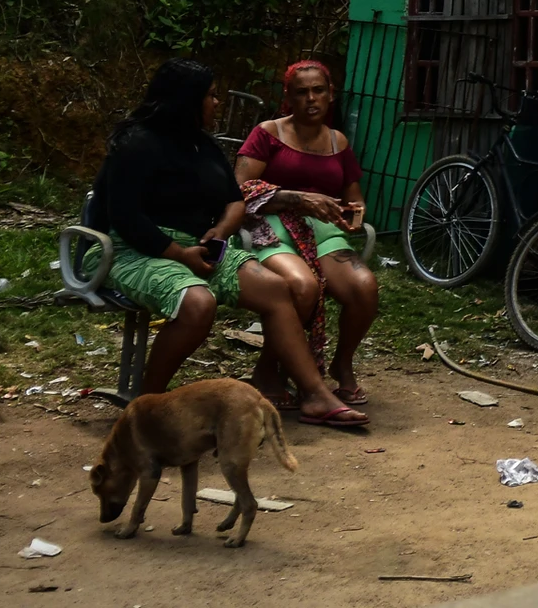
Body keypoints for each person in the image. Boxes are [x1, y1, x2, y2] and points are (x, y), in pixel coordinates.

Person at [91, 58, 367, 428]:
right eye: (211, 96)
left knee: (276, 289)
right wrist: (178, 254)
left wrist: (220, 231)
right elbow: (125, 217)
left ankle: (316, 395)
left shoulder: (201, 145)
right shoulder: (135, 145)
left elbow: (234, 200)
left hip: (203, 245)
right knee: (197, 303)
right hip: (136, 249)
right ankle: (145, 409)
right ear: (187, 101)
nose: (217, 103)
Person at [232, 60, 380, 409]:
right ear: (288, 97)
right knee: (303, 287)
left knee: (364, 288)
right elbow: (238, 191)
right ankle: (268, 369)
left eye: (318, 91)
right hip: (272, 229)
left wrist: (353, 217)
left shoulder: (337, 141)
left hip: (325, 233)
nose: (311, 99)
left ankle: (341, 363)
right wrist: (295, 199)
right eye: (301, 92)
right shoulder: (268, 134)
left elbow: (354, 196)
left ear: (331, 95)